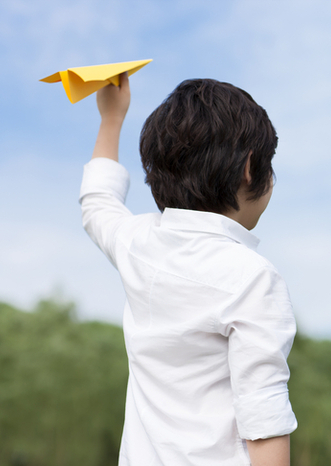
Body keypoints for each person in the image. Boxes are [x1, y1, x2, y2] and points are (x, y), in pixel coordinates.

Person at [80, 72, 297, 466]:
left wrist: (111, 119)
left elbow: (98, 202)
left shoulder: (138, 243)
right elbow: (264, 419)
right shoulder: (252, 278)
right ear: (251, 168)